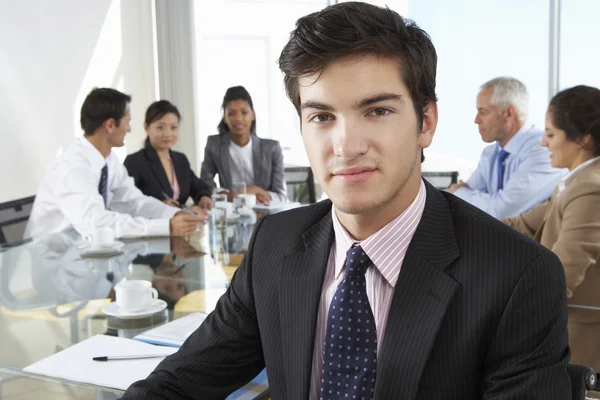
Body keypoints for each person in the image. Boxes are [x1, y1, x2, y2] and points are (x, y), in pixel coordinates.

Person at [122, 3, 570, 399]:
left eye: (377, 111)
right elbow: (179, 383)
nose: (345, 145)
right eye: (321, 116)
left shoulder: (517, 276)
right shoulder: (274, 245)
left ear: (426, 122)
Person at [504, 85, 600, 371]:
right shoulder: (573, 184)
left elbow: (564, 269)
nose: (543, 143)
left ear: (582, 139)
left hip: (582, 340)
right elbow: (519, 225)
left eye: (550, 134)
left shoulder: (590, 188)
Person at [25, 88, 205, 239]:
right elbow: (96, 223)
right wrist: (166, 227)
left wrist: (175, 214)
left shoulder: (108, 160)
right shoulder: (73, 167)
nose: (129, 129)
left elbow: (133, 202)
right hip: (54, 258)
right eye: (127, 122)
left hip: (84, 251)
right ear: (111, 125)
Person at [447, 77, 566, 219]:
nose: (476, 120)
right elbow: (460, 205)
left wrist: (458, 192)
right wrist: (465, 196)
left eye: (483, 112)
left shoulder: (543, 150)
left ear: (508, 113)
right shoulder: (490, 154)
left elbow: (501, 212)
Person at [200, 86, 287, 205]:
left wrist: (255, 192)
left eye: (244, 112)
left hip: (264, 210)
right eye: (231, 113)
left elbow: (281, 195)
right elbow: (205, 182)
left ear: (253, 115)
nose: (238, 119)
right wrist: (225, 195)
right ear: (225, 118)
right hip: (232, 211)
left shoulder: (272, 148)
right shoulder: (214, 144)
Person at [124, 100, 212, 211]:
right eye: (160, 127)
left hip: (181, 225)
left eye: (173, 127)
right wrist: (157, 206)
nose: (167, 134)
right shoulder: (135, 161)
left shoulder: (181, 160)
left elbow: (198, 187)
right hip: (152, 225)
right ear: (146, 127)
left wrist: (204, 196)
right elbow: (128, 202)